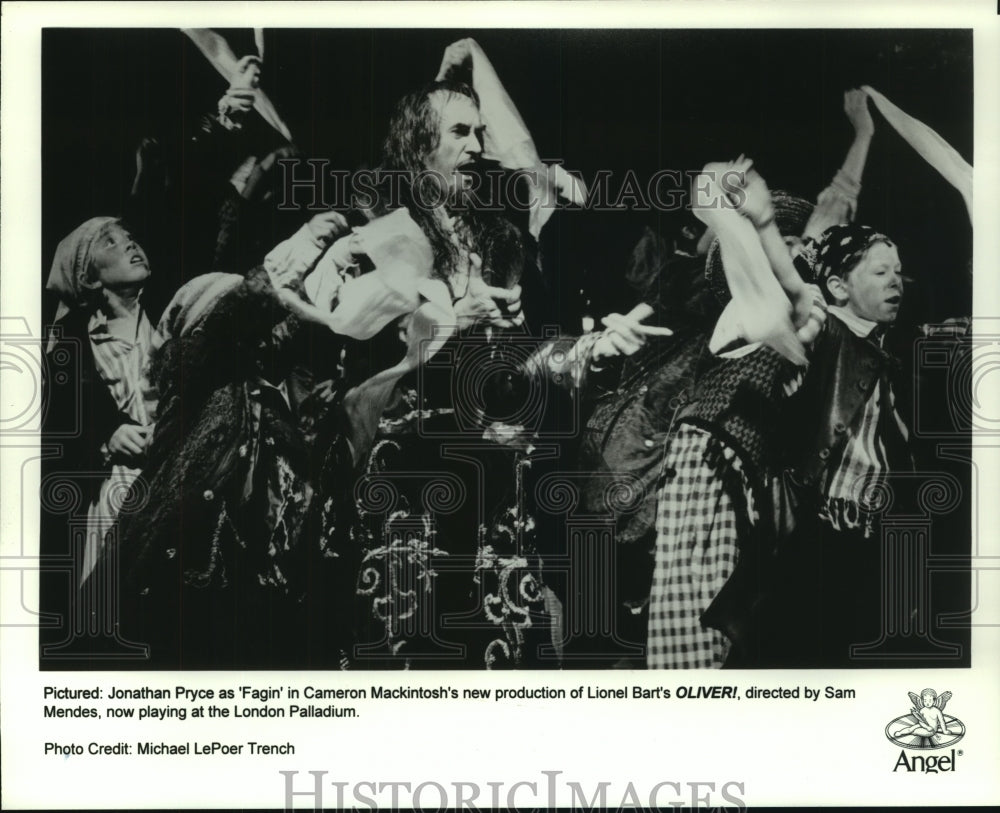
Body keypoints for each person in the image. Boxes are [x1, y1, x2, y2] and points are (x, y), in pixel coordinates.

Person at [42, 218, 157, 586]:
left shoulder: (169, 320)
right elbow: (64, 418)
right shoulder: (81, 344)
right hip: (121, 489)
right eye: (110, 243)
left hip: (181, 473)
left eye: (131, 236)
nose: (128, 244)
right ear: (91, 278)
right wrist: (107, 433)